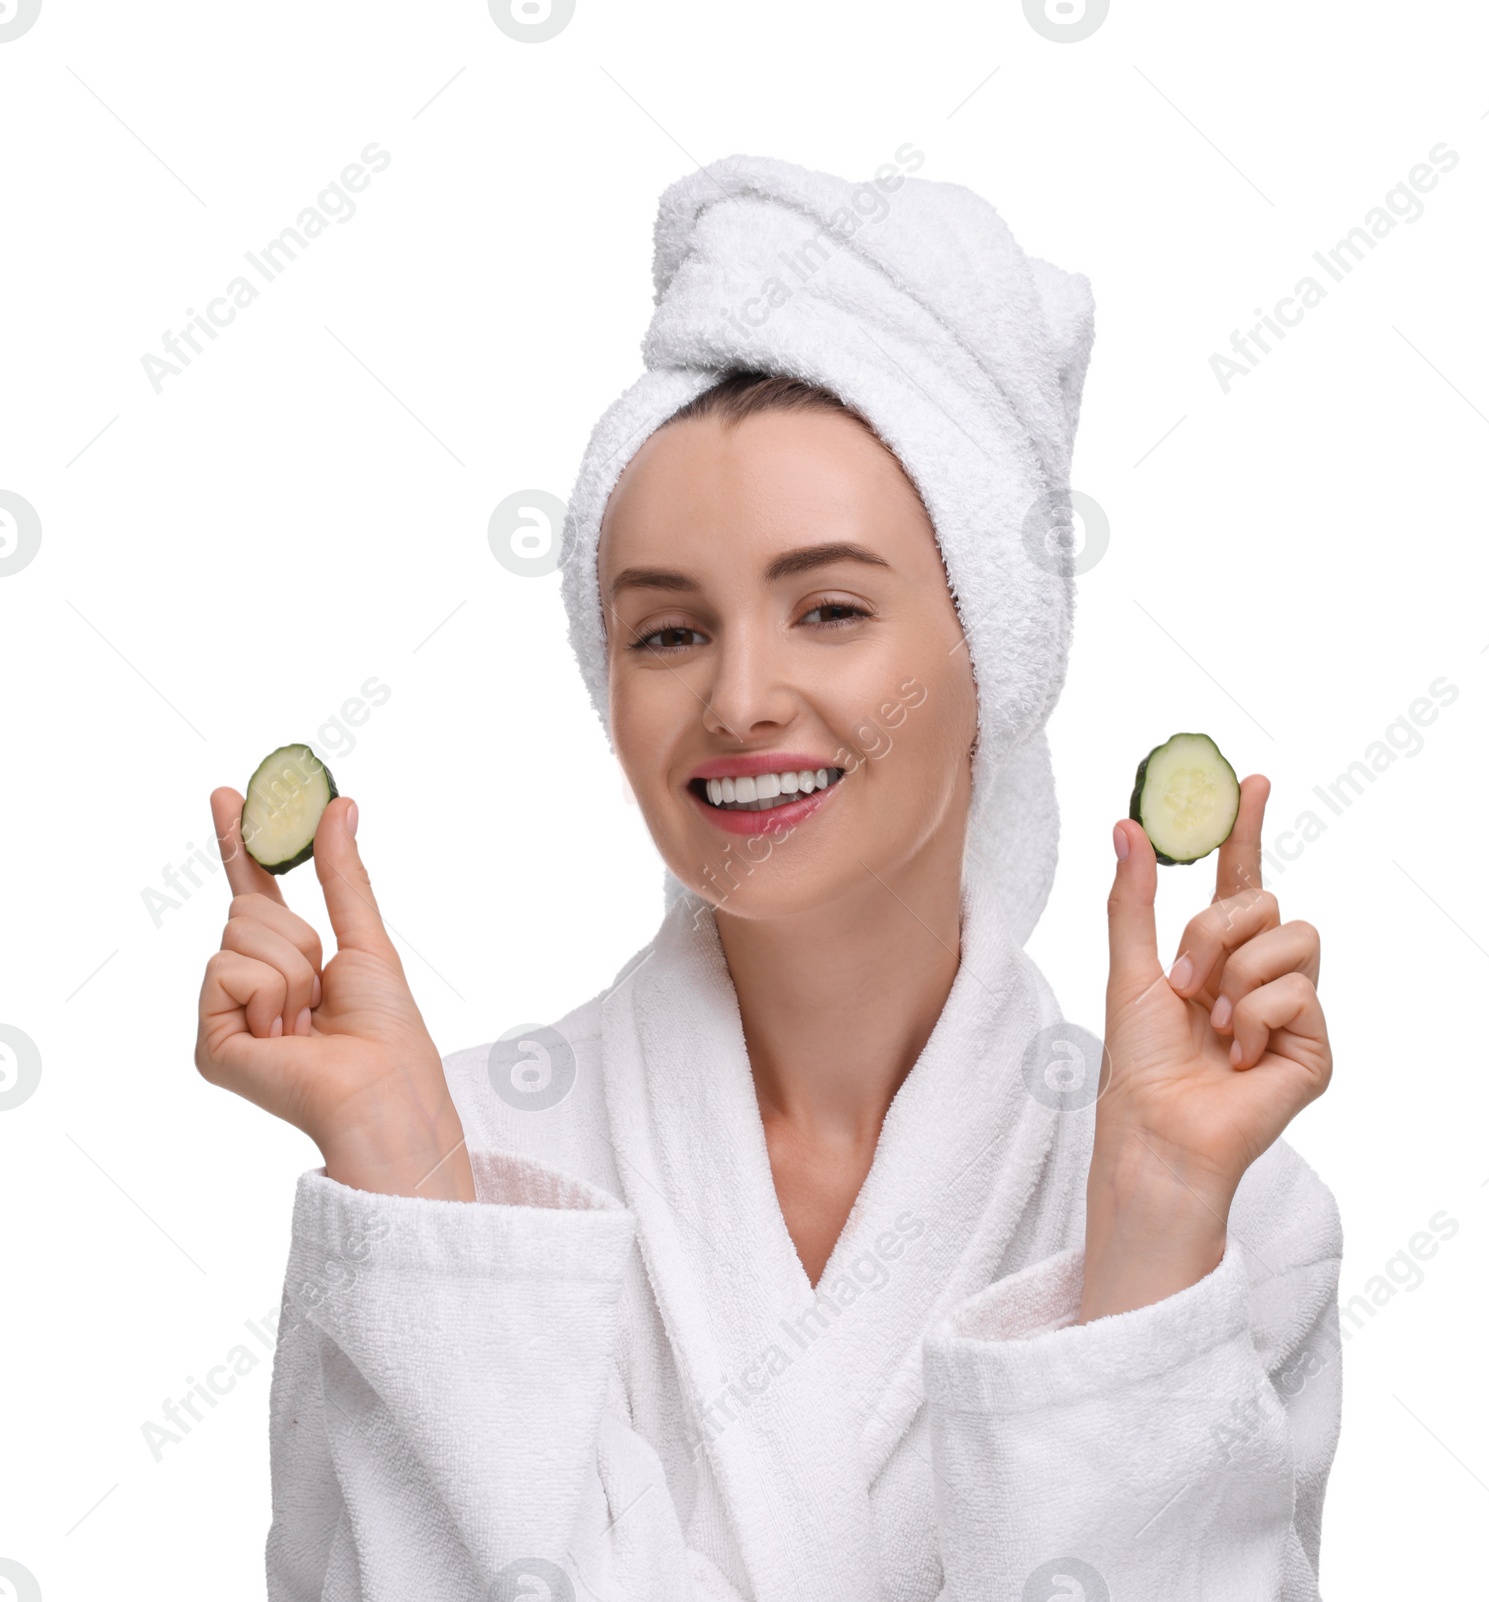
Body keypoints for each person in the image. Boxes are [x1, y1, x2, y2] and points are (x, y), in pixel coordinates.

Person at [196, 156, 1340, 1600]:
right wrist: (412, 1186)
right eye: (667, 632)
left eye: (831, 609)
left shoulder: (1245, 1213)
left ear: (995, 653)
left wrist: (1159, 1227)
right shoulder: (437, 1167)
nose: (741, 698)